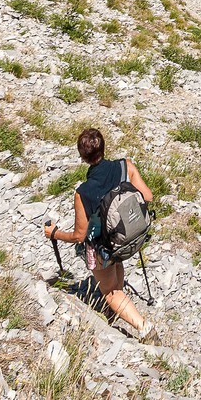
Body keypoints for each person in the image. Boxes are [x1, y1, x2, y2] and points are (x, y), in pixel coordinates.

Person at [44, 127, 155, 340]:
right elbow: (147, 196)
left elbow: (79, 236)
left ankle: (144, 328)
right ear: (104, 146)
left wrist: (55, 233)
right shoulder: (126, 166)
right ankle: (118, 306)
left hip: (103, 248)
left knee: (110, 291)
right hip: (127, 235)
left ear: (82, 156)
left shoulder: (83, 192)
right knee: (117, 268)